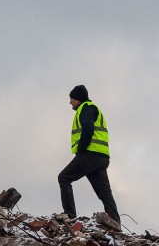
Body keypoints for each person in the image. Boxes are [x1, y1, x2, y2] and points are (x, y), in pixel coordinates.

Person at [58, 84, 121, 224]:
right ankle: (115, 222)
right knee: (104, 193)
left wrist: (81, 148)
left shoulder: (85, 108)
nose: (70, 102)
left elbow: (87, 128)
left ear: (78, 99)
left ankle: (69, 215)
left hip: (89, 155)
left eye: (71, 99)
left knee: (64, 178)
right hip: (101, 157)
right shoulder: (92, 108)